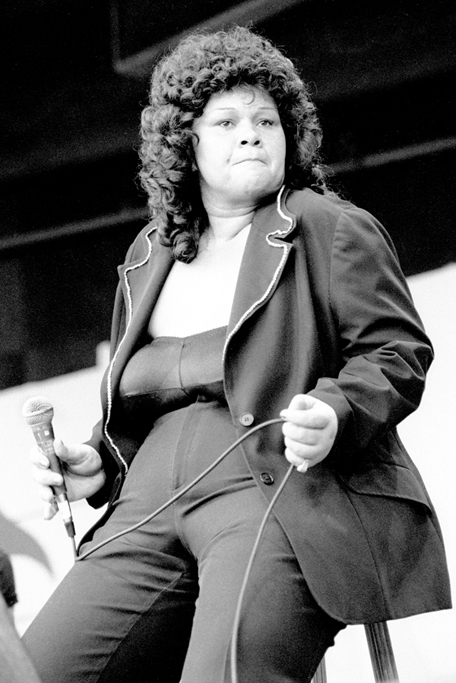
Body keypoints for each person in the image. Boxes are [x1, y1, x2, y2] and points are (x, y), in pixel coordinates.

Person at [23, 26, 451, 683]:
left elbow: (396, 351)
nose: (251, 134)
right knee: (35, 671)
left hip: (276, 492)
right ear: (185, 144)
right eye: (226, 121)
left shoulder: (327, 225)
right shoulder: (148, 254)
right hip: (145, 508)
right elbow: (139, 403)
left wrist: (336, 411)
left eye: (266, 120)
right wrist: (98, 463)